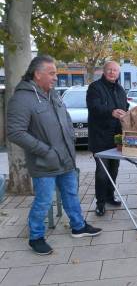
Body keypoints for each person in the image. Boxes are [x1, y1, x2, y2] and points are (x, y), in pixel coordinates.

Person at [7, 55, 102, 255]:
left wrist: (71, 140)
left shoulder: (53, 94)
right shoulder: (22, 98)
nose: (55, 77)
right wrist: (46, 151)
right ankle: (36, 237)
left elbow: (65, 120)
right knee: (43, 200)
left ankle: (78, 227)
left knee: (71, 194)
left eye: (55, 73)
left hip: (65, 157)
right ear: (37, 74)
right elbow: (15, 132)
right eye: (51, 73)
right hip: (44, 161)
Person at [86, 61, 128, 216]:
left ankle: (110, 196)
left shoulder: (120, 89)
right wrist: (111, 112)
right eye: (110, 69)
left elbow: (125, 108)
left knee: (114, 169)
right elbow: (94, 107)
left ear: (118, 73)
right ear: (104, 71)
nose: (112, 72)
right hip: (100, 138)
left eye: (115, 70)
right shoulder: (95, 88)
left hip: (117, 139)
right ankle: (100, 202)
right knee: (102, 172)